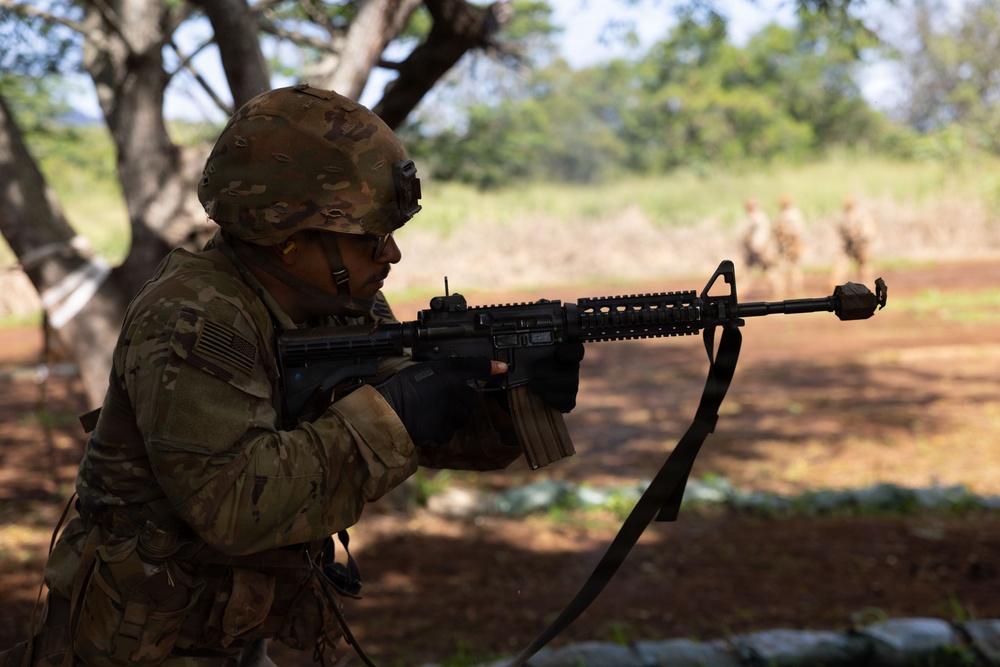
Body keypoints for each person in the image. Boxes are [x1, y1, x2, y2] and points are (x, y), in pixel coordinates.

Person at [19, 84, 582, 667]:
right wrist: (397, 410)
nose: (391, 256)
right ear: (287, 237)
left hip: (234, 628)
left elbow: (421, 424)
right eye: (369, 239)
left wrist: (500, 399)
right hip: (138, 645)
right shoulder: (195, 317)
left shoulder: (340, 303)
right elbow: (232, 504)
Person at [737, 197, 779, 296]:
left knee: (755, 270)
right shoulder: (761, 217)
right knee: (767, 269)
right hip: (758, 248)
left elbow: (749, 234)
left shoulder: (755, 218)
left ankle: (739, 291)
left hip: (758, 249)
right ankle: (778, 289)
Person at [833, 197, 877, 287]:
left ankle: (867, 286)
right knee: (841, 265)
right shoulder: (845, 216)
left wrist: (862, 241)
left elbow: (869, 232)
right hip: (849, 245)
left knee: (864, 267)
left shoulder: (861, 216)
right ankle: (835, 285)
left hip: (861, 245)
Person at [773, 195, 806, 295]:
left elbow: (798, 231)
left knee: (790, 267)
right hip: (786, 245)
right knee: (790, 267)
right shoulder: (788, 214)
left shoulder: (792, 214)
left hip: (791, 244)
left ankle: (789, 288)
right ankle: (787, 288)